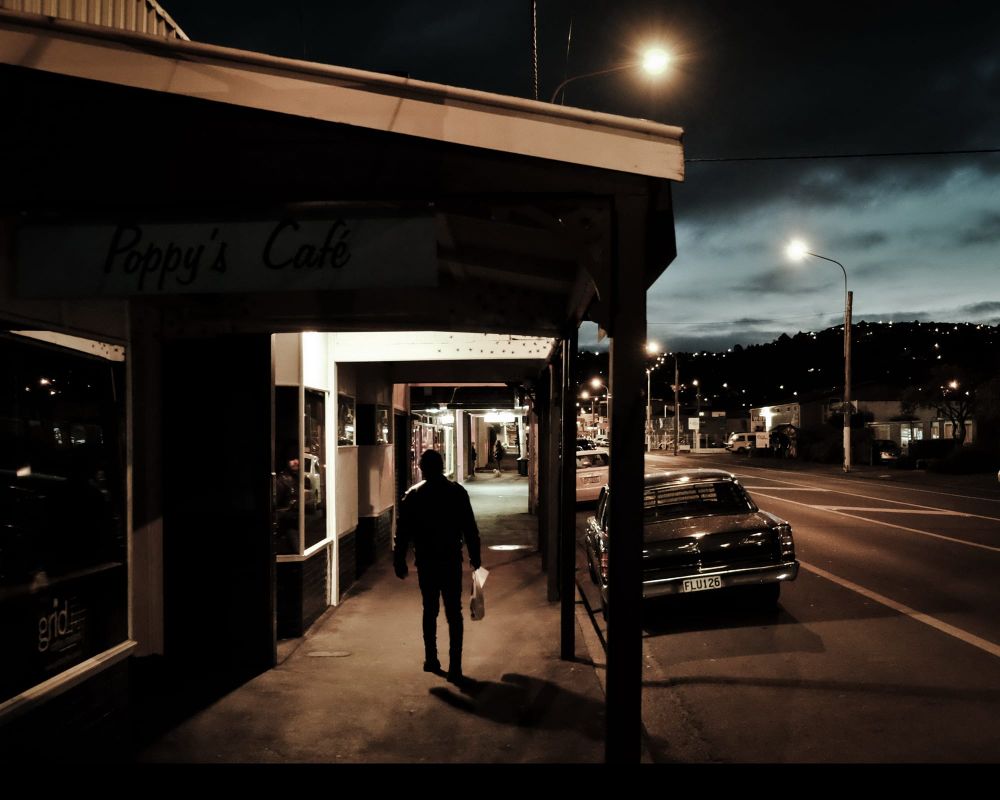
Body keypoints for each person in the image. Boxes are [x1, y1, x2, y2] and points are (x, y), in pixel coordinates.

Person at [393, 449, 482, 683]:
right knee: (454, 612)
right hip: (451, 559)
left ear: (422, 468)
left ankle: (431, 658)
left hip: (426, 561)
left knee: (429, 609)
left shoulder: (413, 496)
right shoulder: (457, 492)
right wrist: (475, 557)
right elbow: (470, 528)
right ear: (442, 466)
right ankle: (455, 665)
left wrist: (399, 559)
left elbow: (403, 532)